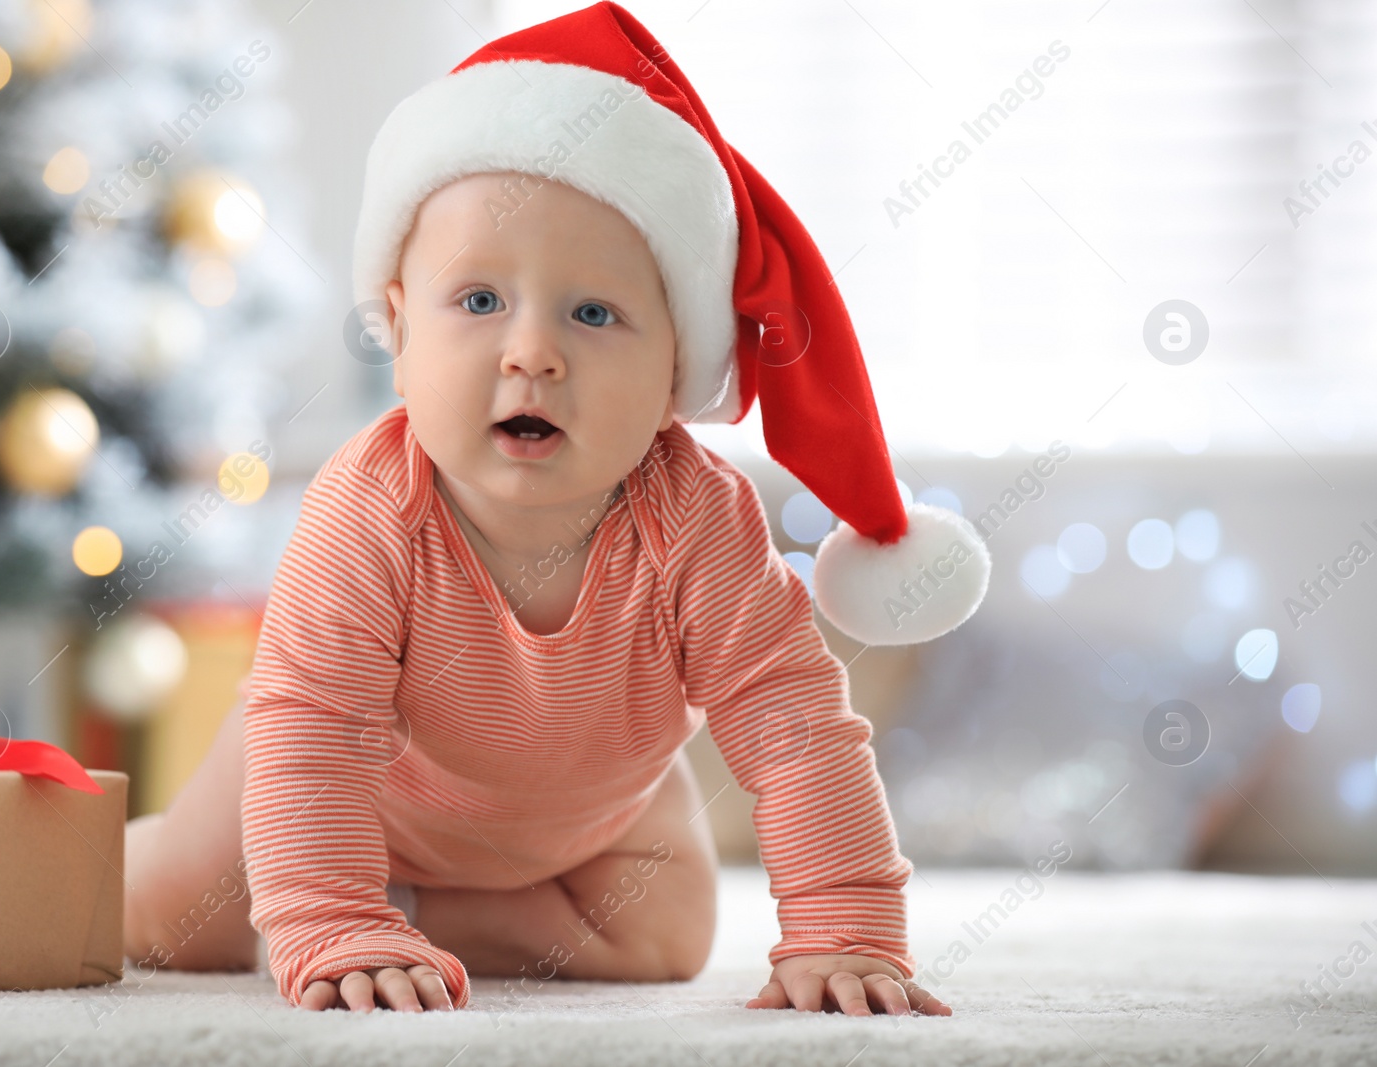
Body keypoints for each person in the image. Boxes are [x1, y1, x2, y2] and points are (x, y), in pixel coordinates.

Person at [125, 1, 989, 1017]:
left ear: (678, 363)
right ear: (398, 327)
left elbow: (793, 721)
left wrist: (846, 928)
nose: (531, 352)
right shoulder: (369, 507)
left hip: (587, 823)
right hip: (352, 787)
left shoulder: (700, 520)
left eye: (593, 312)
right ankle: (309, 889)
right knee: (179, 917)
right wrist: (327, 910)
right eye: (480, 300)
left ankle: (404, 910)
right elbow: (315, 728)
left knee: (665, 935)